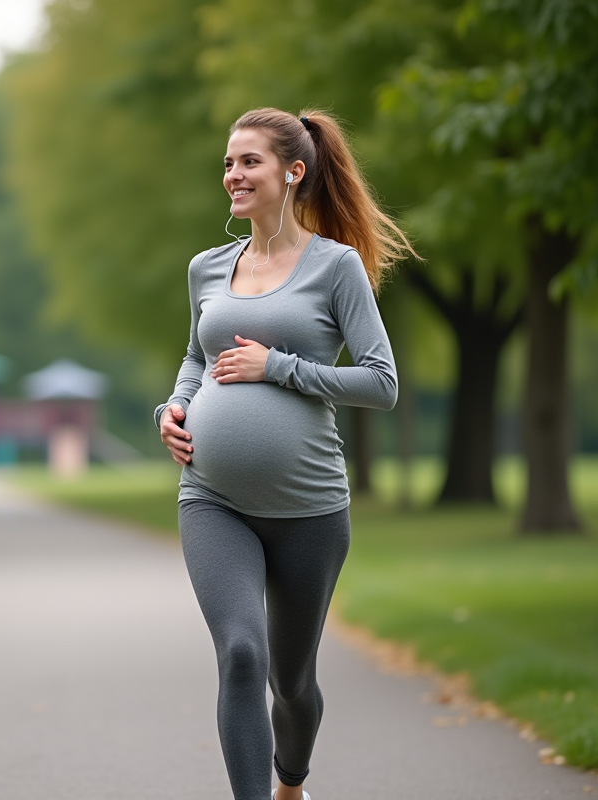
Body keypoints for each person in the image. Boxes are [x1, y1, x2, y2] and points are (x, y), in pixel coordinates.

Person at [153, 108, 416, 800]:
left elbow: (381, 382)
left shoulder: (336, 269)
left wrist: (281, 369)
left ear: (293, 172)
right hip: (213, 499)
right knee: (241, 653)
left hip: (309, 508)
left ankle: (291, 779)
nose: (231, 176)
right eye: (228, 163)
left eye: (248, 162)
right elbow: (194, 358)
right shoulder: (206, 268)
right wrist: (172, 409)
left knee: (291, 683)